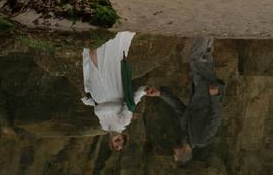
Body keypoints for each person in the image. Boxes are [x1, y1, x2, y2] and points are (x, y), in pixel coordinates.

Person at [80, 30, 160, 151]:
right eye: (121, 143)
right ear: (123, 137)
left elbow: (98, 106)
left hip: (97, 92)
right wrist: (143, 91)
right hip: (113, 88)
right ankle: (112, 35)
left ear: (111, 142)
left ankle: (98, 33)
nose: (118, 143)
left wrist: (88, 101)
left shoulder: (104, 126)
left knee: (91, 58)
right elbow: (131, 103)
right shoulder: (123, 122)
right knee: (98, 57)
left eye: (115, 145)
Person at [158, 36, 226, 164]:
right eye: (175, 153)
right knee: (195, 58)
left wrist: (161, 93)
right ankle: (205, 28)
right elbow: (215, 117)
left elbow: (178, 107)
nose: (174, 149)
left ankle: (209, 32)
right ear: (183, 152)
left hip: (200, 87)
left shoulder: (185, 132)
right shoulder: (201, 139)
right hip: (209, 91)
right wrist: (215, 95)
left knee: (204, 58)